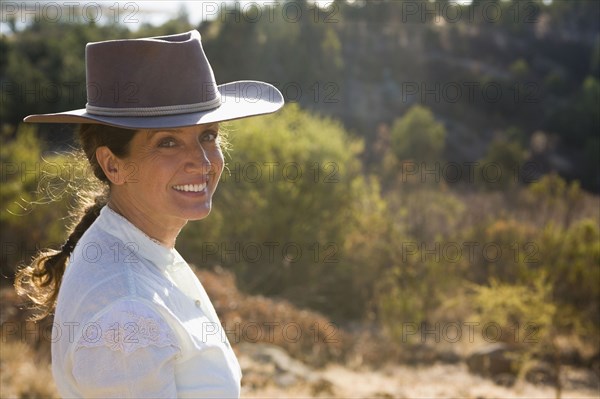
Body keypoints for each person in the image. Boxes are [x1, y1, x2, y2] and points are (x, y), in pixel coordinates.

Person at [15, 30, 283, 398]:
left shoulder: (143, 254)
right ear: (113, 165)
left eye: (208, 135)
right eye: (168, 142)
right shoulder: (127, 313)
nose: (203, 162)